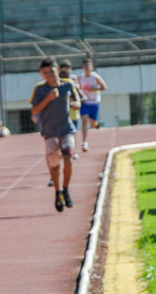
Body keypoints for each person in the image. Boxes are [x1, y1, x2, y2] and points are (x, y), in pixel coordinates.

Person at [30, 58, 78, 212]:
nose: (48, 75)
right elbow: (35, 111)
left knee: (68, 157)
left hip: (66, 130)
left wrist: (77, 104)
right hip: (50, 133)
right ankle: (57, 193)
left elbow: (77, 98)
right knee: (55, 166)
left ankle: (66, 189)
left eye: (51, 71)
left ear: (57, 70)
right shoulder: (40, 89)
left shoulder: (68, 84)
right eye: (45, 73)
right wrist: (48, 98)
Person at [78, 58, 107, 152]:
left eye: (88, 66)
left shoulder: (95, 77)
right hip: (85, 103)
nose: (87, 68)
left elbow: (104, 87)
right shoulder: (80, 78)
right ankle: (84, 142)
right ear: (82, 67)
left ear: (92, 67)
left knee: (92, 124)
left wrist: (94, 89)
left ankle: (96, 124)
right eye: (85, 66)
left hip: (94, 102)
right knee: (84, 120)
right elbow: (77, 89)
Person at [58, 59, 85, 161]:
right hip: (62, 114)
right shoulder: (56, 82)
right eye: (62, 71)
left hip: (73, 113)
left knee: (72, 133)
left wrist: (76, 102)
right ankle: (63, 149)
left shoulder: (72, 81)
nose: (64, 74)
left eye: (66, 71)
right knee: (61, 134)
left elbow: (80, 95)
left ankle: (73, 150)